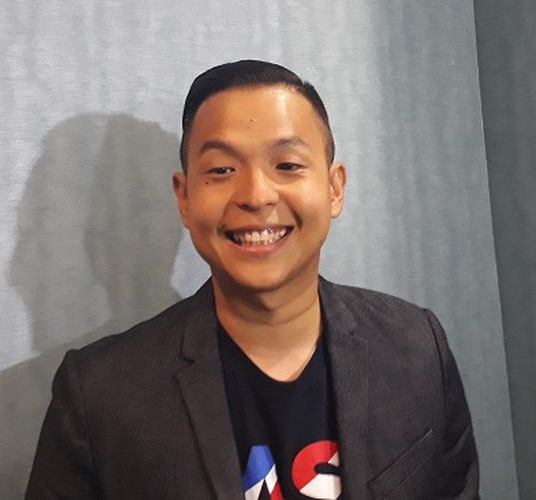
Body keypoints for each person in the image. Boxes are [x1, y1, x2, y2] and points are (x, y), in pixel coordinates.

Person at [26, 60, 479, 499]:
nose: (257, 195)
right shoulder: (99, 394)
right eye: (222, 170)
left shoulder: (416, 347)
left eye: (288, 165)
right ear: (184, 198)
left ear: (334, 188)